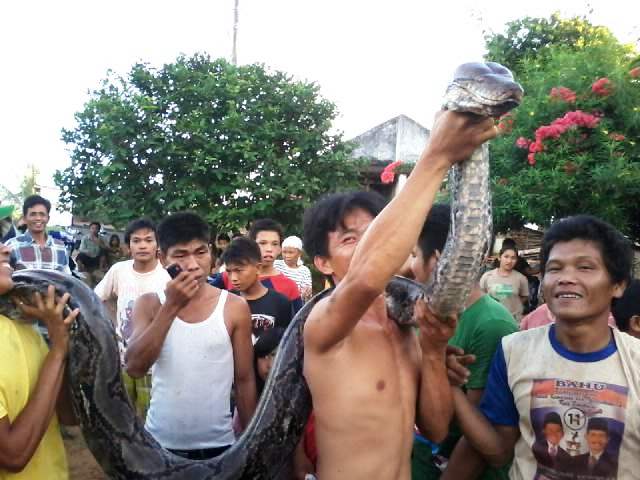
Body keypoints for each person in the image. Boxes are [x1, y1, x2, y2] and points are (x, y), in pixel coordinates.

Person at [301, 110, 497, 480]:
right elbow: (363, 280)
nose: (365, 248)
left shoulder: (406, 326)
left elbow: (436, 430)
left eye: (373, 233)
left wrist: (435, 353)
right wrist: (436, 156)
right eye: (349, 239)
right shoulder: (324, 323)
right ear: (323, 263)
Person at [453, 215, 640, 480]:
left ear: (618, 284)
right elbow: (498, 451)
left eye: (585, 267)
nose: (566, 278)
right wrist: (449, 385)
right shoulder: (513, 351)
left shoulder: (635, 362)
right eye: (554, 268)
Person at [125, 212, 256, 460]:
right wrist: (171, 306)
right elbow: (134, 366)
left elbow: (245, 380)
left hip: (220, 446)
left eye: (200, 252)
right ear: (162, 258)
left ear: (211, 252)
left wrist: (250, 443)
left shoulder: (234, 307)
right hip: (160, 444)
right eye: (180, 255)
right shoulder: (149, 304)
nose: (193, 264)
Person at [408, 204, 517, 480]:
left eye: (413, 255)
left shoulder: (492, 325)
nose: (410, 267)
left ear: (437, 260)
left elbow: (480, 437)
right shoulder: (425, 314)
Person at [0, 241, 79, 479]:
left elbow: (68, 415)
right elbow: (13, 455)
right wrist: (57, 352)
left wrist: (66, 347)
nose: (6, 249)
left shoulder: (22, 326)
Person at [94, 218, 170, 420]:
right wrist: (109, 326)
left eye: (148, 240)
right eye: (136, 241)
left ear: (157, 245)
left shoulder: (166, 278)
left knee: (150, 419)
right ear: (128, 246)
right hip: (121, 359)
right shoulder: (119, 270)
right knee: (122, 415)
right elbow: (95, 299)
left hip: (156, 364)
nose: (143, 245)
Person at [211, 219, 303, 313]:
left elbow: (298, 324)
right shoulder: (228, 276)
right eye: (263, 243)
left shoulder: (289, 286)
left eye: (274, 244)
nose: (269, 249)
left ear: (280, 248)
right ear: (251, 244)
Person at [223, 237, 293, 341]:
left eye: (239, 270)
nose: (233, 278)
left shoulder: (281, 303)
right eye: (229, 271)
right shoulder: (225, 301)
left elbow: (288, 344)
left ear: (258, 268)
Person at [6, 195, 70, 274]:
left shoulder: (60, 247)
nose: (38, 218)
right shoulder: (12, 246)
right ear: (25, 219)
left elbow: (67, 278)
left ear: (48, 218)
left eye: (42, 214)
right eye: (33, 214)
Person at [479, 245, 529, 322]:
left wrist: (511, 304)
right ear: (499, 257)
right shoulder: (487, 276)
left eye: (513, 258)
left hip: (513, 321)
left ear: (516, 260)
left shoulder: (521, 278)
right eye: (506, 257)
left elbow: (524, 296)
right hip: (490, 319)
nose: (509, 261)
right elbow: (480, 297)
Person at [275, 235, 313, 301]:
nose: (287, 255)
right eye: (284, 252)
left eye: (291, 252)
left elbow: (306, 296)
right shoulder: (276, 264)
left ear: (299, 253)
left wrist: (306, 294)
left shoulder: (304, 271)